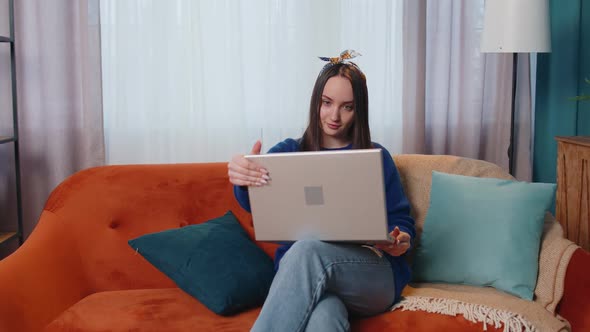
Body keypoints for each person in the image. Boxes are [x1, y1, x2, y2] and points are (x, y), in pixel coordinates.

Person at [227, 50, 415, 332]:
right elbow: (254, 201)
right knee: (324, 317)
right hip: (309, 280)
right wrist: (243, 178)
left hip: (369, 277)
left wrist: (401, 240)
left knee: (307, 250)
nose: (334, 116)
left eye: (347, 107)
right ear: (316, 102)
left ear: (358, 110)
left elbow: (402, 224)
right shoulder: (289, 152)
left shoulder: (376, 155)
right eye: (327, 103)